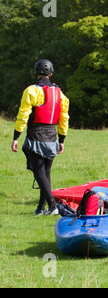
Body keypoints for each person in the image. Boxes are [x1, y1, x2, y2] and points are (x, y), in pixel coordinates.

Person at [11, 59, 70, 216]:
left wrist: (16, 137)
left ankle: (52, 206)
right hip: (52, 137)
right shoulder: (60, 93)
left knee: (39, 172)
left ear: (36, 74)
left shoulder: (31, 90)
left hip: (36, 136)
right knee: (46, 173)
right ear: (50, 74)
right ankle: (40, 208)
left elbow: (23, 115)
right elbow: (64, 117)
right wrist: (62, 139)